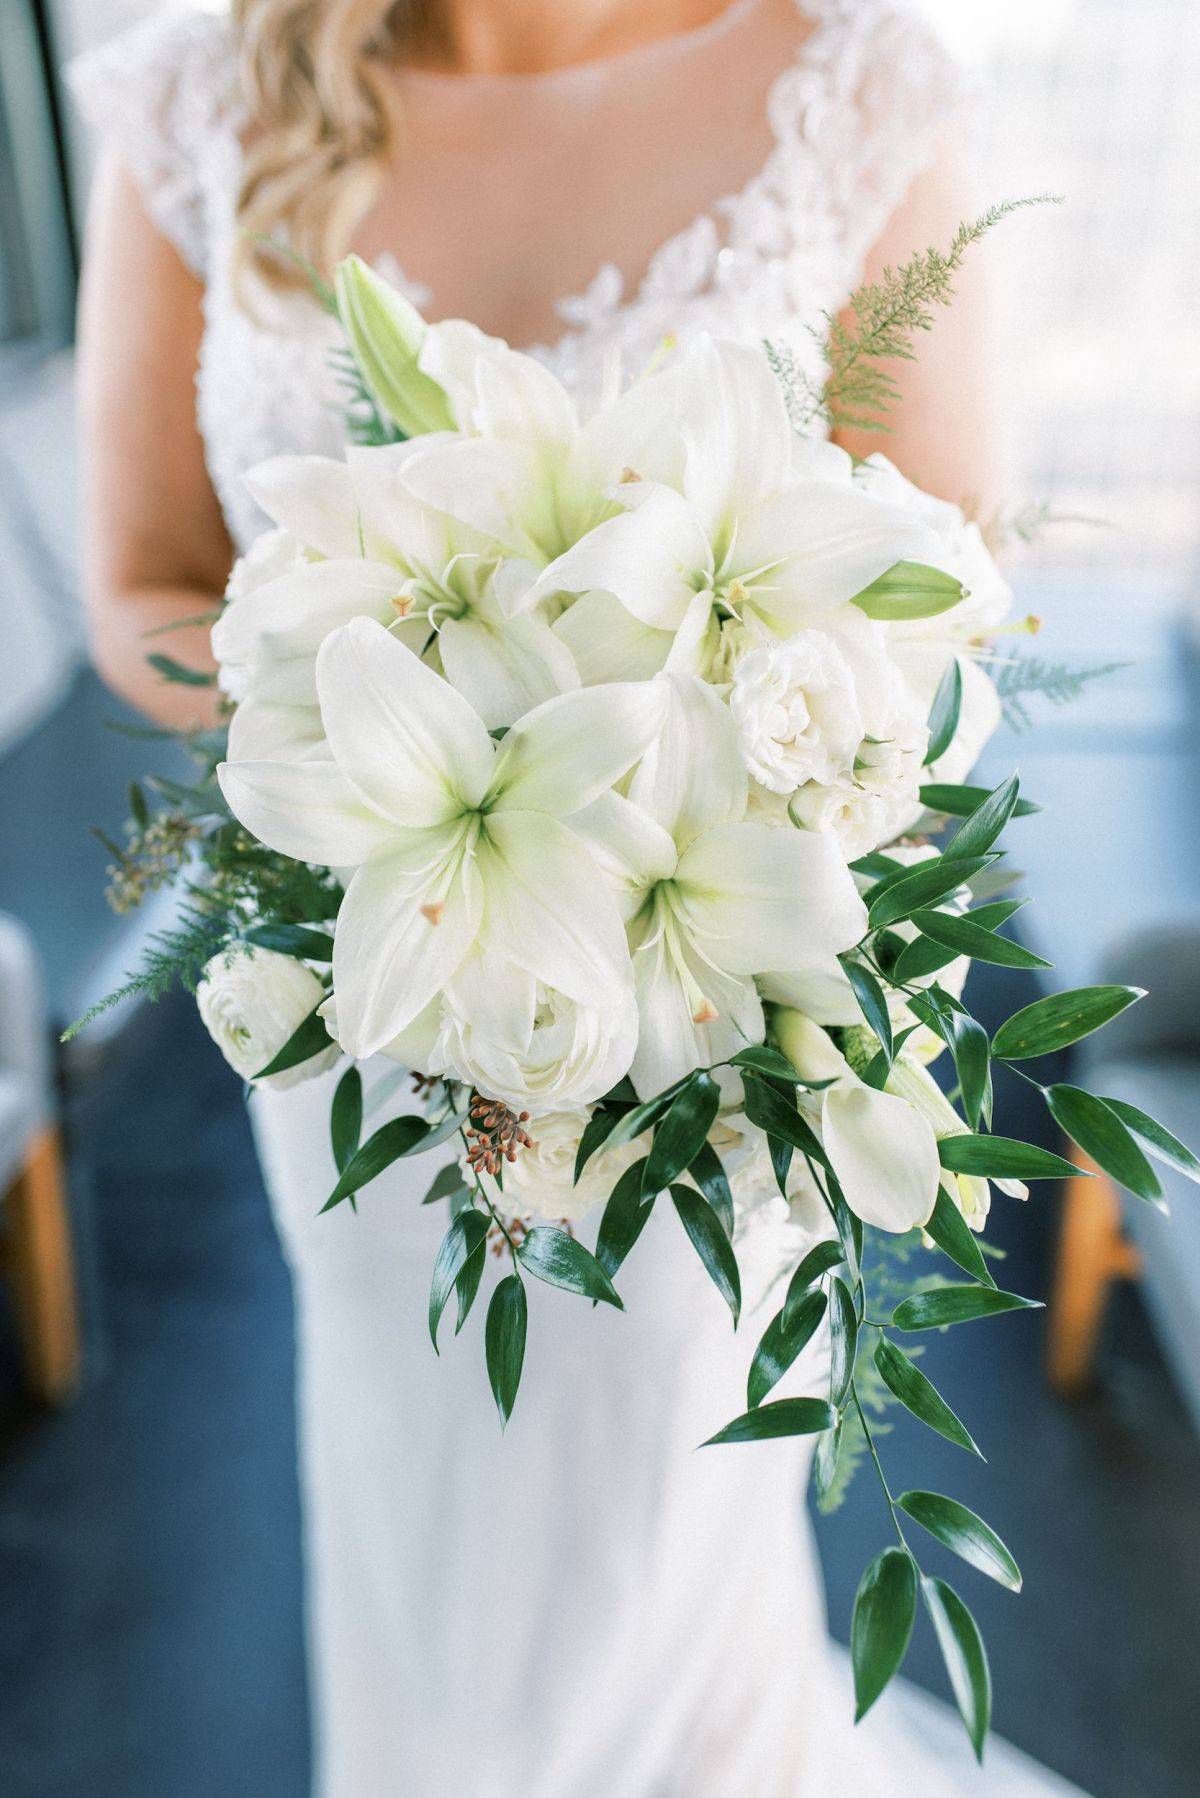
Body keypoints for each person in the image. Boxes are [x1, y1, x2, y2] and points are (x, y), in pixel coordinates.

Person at [70, 3, 1082, 1792]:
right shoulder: (197, 100)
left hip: (698, 996)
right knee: (414, 1539)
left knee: (657, 1550)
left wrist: (653, 760)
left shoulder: (856, 86)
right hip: (378, 995)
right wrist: (380, 700)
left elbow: (946, 590)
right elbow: (146, 581)